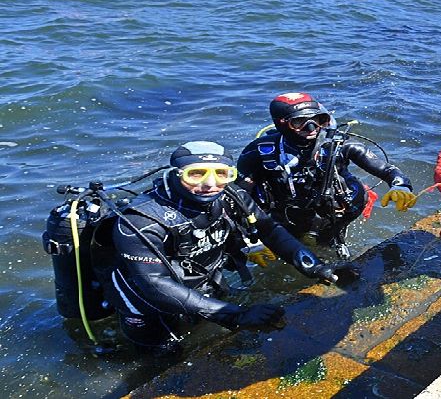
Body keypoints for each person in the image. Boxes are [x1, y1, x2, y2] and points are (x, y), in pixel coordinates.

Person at [93, 141, 352, 355]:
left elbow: (269, 229)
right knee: (163, 354)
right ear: (175, 174)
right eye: (196, 174)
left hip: (198, 279)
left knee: (202, 328)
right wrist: (234, 316)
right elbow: (153, 284)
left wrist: (313, 265)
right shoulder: (141, 221)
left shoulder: (231, 196)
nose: (210, 184)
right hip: (144, 298)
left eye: (221, 174)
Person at [237, 92, 417, 259]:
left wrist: (400, 185)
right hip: (286, 214)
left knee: (329, 249)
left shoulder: (340, 145)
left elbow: (387, 170)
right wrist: (250, 238)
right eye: (299, 122)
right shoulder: (259, 151)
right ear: (280, 123)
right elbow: (238, 197)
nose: (311, 127)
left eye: (319, 120)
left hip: (337, 210)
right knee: (287, 250)